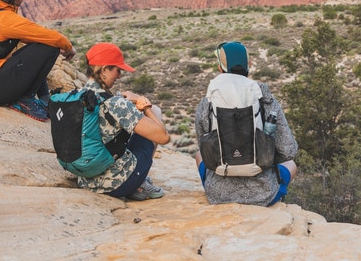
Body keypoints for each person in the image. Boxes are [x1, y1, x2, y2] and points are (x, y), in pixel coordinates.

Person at [194, 41, 298, 206]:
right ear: (248, 66)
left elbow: (204, 146)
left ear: (221, 68)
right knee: (290, 164)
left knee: (198, 154)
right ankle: (278, 199)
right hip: (263, 194)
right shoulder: (266, 99)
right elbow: (288, 151)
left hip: (218, 195)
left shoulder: (208, 101)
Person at [75, 42, 170, 200]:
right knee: (155, 115)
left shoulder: (77, 95)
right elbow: (163, 136)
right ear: (104, 70)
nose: (119, 75)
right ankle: (139, 184)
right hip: (116, 185)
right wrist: (144, 105)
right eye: (117, 70)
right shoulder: (115, 103)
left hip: (85, 180)